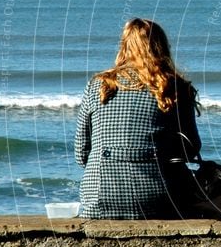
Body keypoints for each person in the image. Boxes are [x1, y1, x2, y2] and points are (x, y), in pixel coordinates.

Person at [74, 18, 203, 219]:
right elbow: (191, 148)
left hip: (98, 197)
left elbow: (81, 154)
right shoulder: (176, 88)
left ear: (124, 46)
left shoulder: (97, 86)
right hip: (158, 198)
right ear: (162, 47)